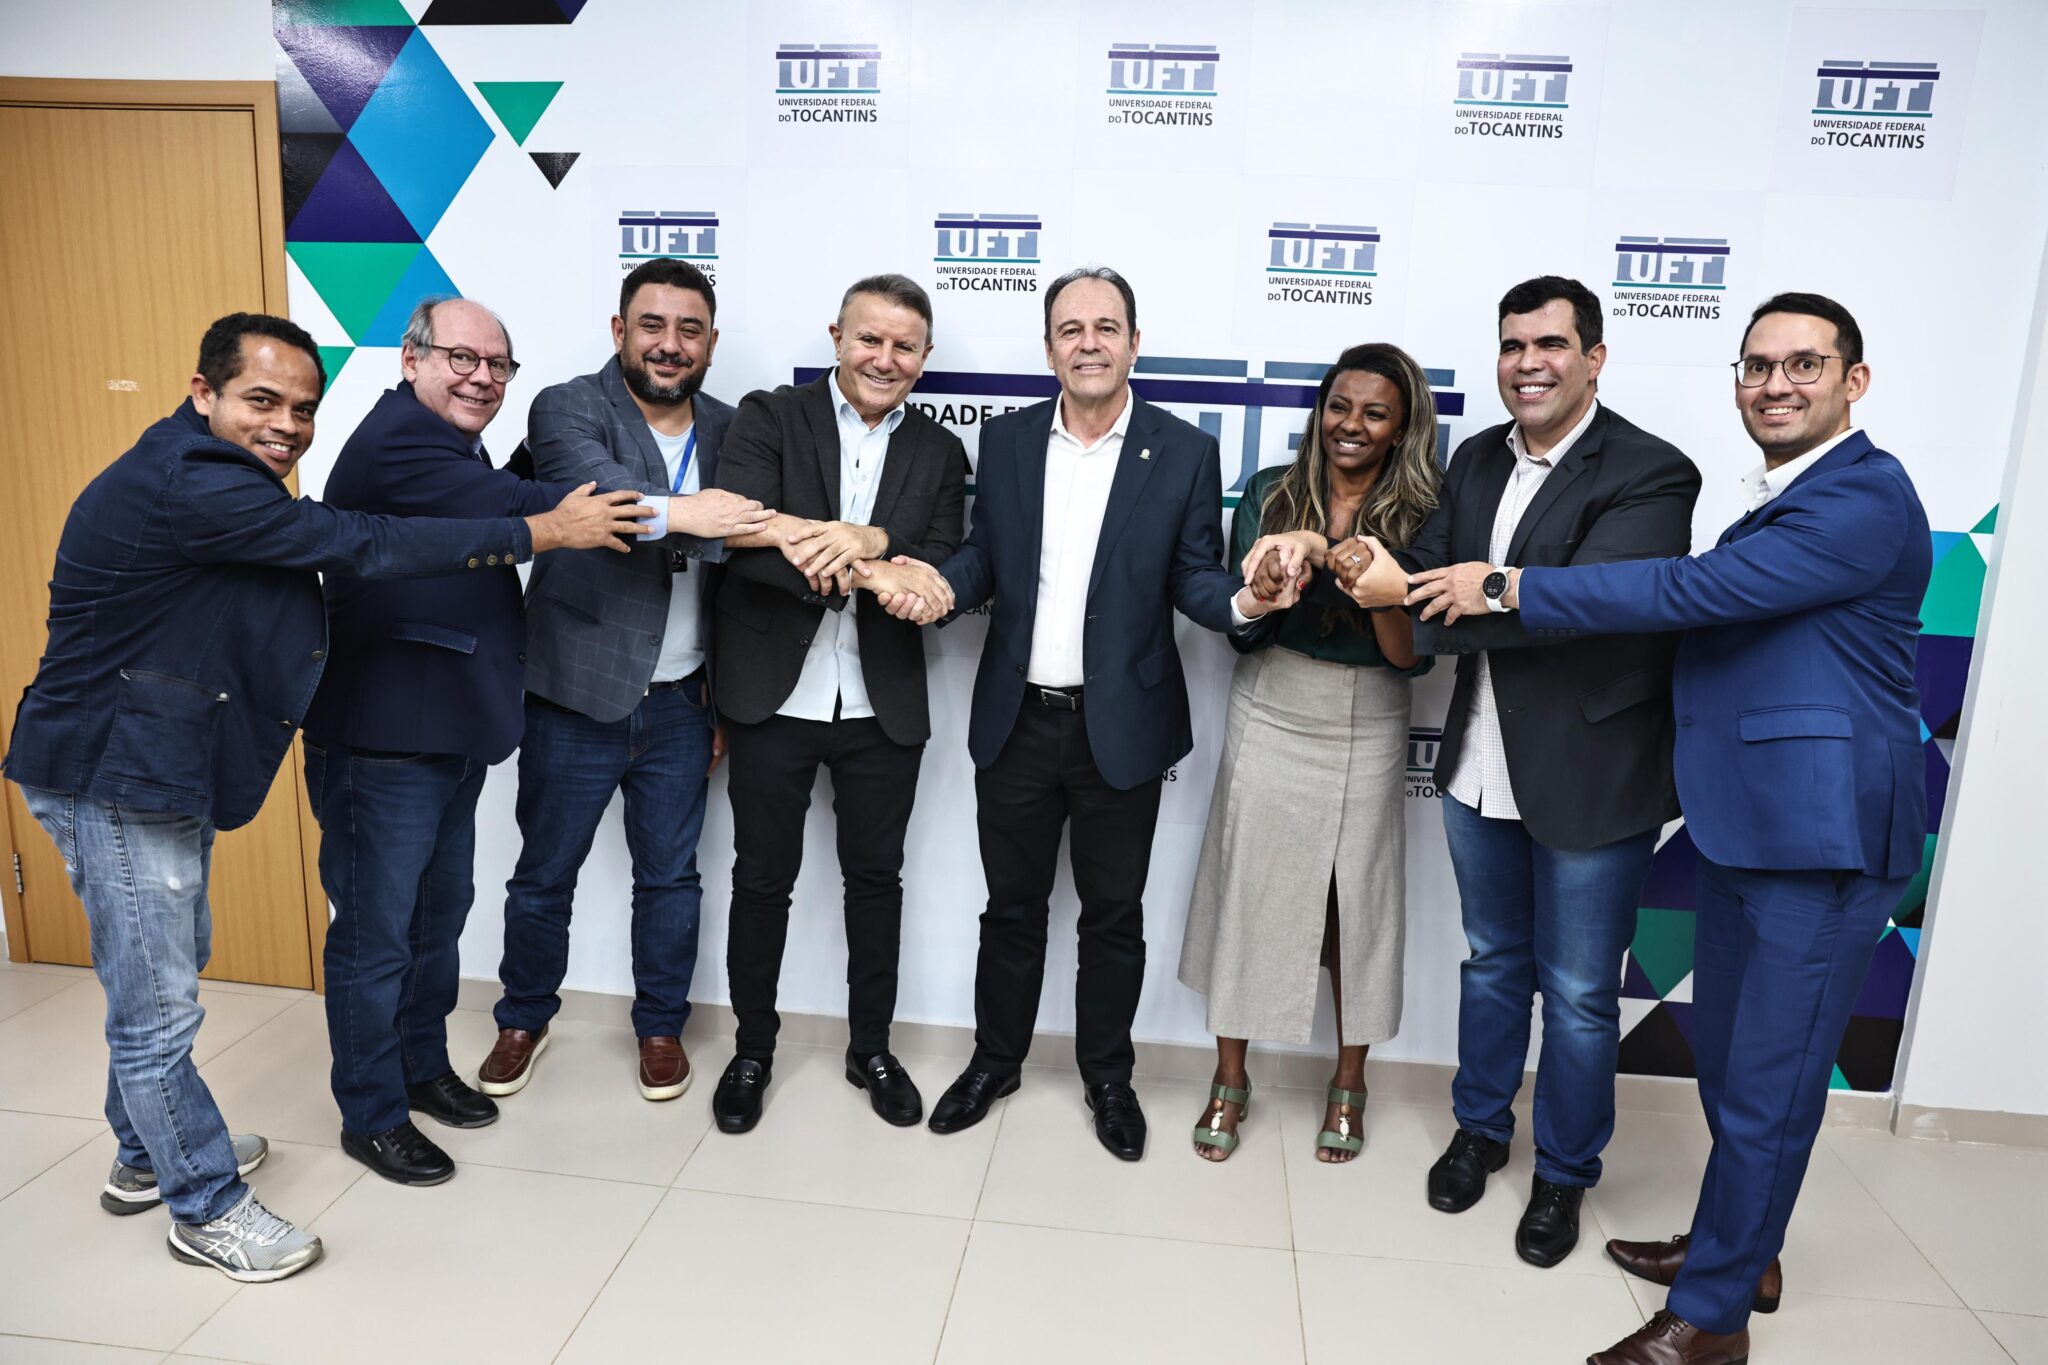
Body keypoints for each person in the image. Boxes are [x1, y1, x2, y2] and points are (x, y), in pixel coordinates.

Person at [2, 313, 642, 1281]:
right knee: (159, 1007)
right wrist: (542, 531)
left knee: (168, 976)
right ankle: (205, 1204)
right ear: (203, 392)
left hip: (157, 761)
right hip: (112, 767)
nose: (288, 426)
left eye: (302, 408)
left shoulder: (215, 469)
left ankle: (143, 1154)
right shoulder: (194, 479)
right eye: (262, 401)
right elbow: (352, 541)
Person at [1410, 293, 1927, 1365]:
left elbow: (1694, 591)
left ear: (1854, 381)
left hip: (1821, 840)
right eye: (1756, 365)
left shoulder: (1862, 497)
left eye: (1802, 365)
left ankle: (1711, 1319)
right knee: (1734, 1074)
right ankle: (1741, 1252)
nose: (1774, 385)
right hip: (1750, 830)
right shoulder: (1785, 497)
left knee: (1765, 1090)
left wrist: (1504, 583)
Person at [300, 297, 752, 1186]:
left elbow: (486, 511)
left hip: (448, 723)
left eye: (496, 365)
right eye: (461, 358)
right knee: (377, 936)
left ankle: (422, 1068)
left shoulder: (454, 442)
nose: (481, 378)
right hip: (380, 734)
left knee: (436, 919)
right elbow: (521, 506)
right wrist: (682, 512)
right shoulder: (400, 440)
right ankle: (372, 1112)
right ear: (411, 358)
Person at [1331, 276, 1701, 1266]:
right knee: (1493, 963)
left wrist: (1465, 592)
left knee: (1578, 994)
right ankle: (1480, 1130)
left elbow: (1597, 607)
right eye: (1511, 346)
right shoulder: (1476, 458)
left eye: (1549, 344)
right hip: (1476, 763)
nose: (1527, 364)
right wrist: (1382, 575)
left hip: (1592, 773)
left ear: (1593, 357)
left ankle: (1564, 1173)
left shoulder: (1654, 471)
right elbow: (1426, 580)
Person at [918, 266, 1285, 1162]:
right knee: (1011, 909)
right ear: (1049, 347)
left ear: (1133, 343)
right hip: (1015, 719)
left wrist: (1248, 600)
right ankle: (994, 1061)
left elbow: (1194, 577)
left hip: (1120, 728)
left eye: (1107, 327)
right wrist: (937, 587)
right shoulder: (1006, 441)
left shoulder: (1183, 451)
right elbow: (983, 558)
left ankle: (1109, 1079)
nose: (1089, 343)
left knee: (1113, 916)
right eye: (1071, 328)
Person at [479, 258, 773, 1104]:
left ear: (710, 343)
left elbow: (741, 574)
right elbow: (607, 496)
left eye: (689, 330)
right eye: (652, 325)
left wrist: (724, 694)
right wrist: (694, 513)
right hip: (574, 694)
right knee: (544, 874)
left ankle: (660, 1027)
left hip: (683, 700)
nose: (669, 344)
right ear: (620, 331)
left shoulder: (733, 428)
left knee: (671, 878)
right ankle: (522, 1018)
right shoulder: (568, 407)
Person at [704, 273, 967, 1134]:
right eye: (869, 339)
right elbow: (743, 535)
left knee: (876, 882)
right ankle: (752, 1049)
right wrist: (875, 569)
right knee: (761, 881)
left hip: (881, 704)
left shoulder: (940, 452)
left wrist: (876, 540)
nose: (884, 359)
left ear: (924, 356)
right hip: (771, 695)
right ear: (837, 338)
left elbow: (941, 554)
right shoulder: (770, 416)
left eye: (904, 346)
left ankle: (871, 1049)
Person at [1176, 343, 1440, 1164]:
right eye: (1339, 406)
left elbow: (1410, 655)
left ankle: (1349, 1082)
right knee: (1248, 891)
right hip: (1272, 700)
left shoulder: (1426, 512)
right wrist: (1264, 591)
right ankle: (1230, 1077)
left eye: (1374, 413)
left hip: (1370, 710)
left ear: (1402, 427)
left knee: (1354, 906)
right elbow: (1240, 624)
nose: (1350, 425)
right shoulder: (1270, 493)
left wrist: (1378, 585)